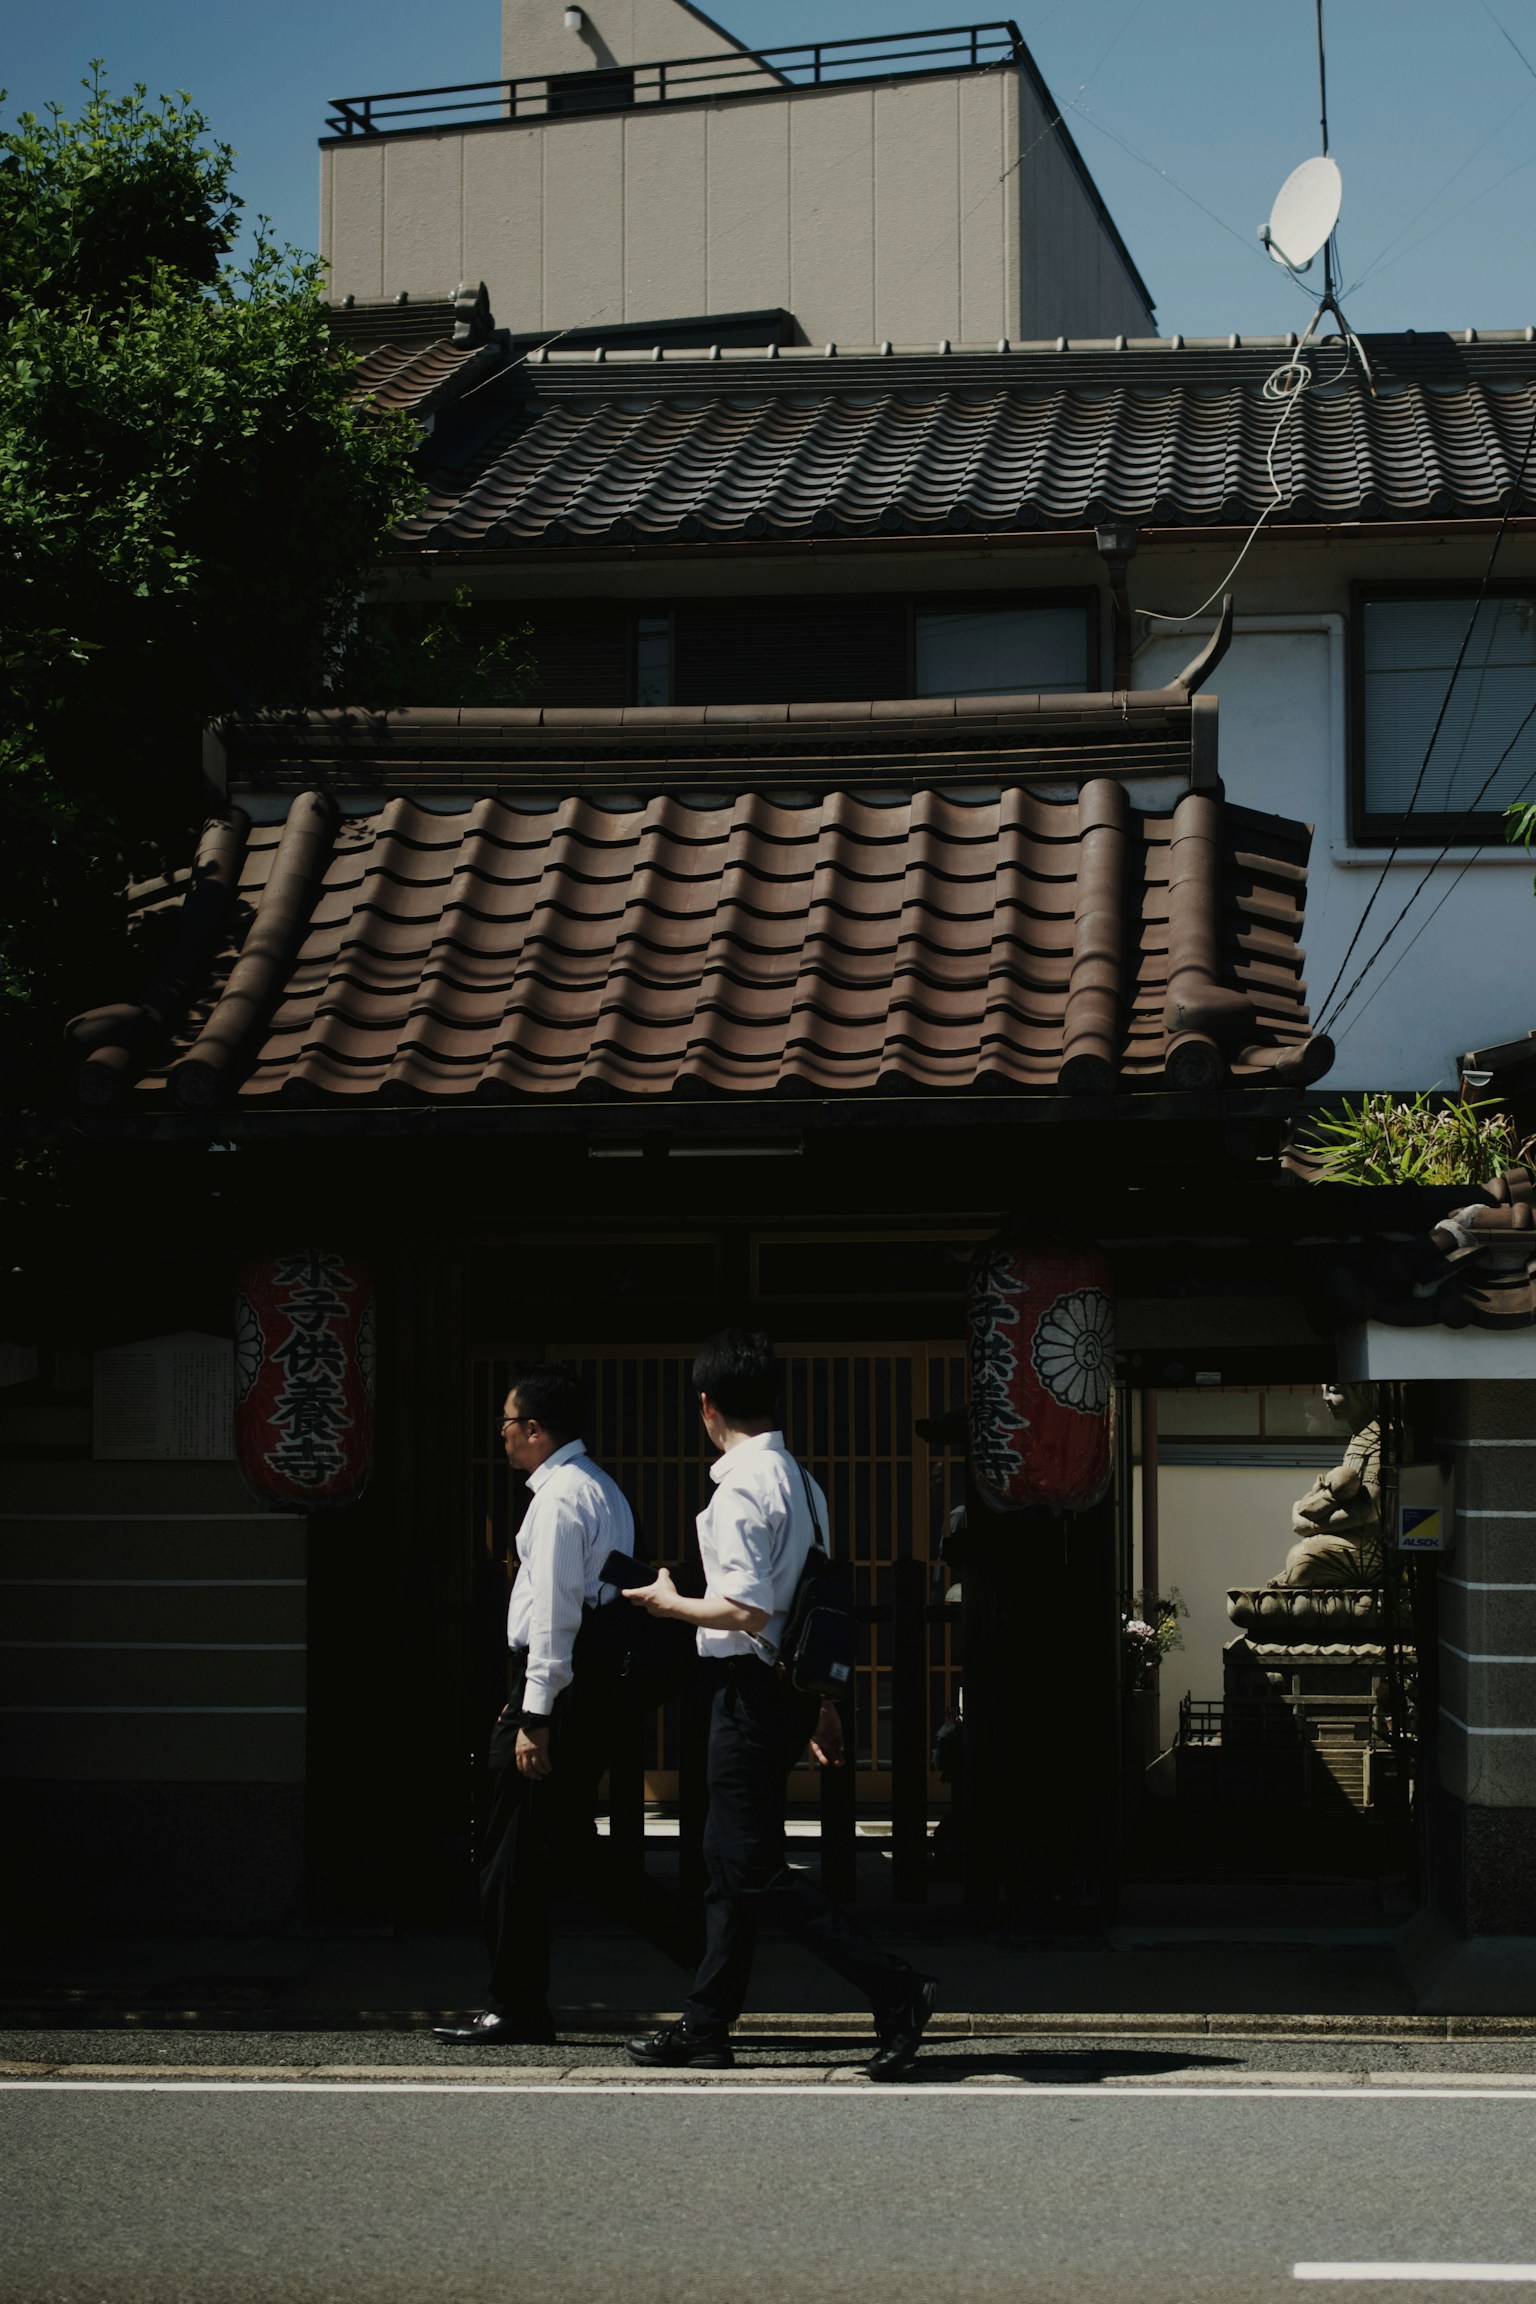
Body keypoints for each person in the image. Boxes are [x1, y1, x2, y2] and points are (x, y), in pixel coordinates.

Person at [624, 1329, 937, 2080]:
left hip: (748, 1693)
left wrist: (669, 1602)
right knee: (726, 1863)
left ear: (707, 1406)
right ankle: (707, 2022)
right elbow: (809, 1603)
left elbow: (745, 1610)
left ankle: (895, 1987)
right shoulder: (803, 1482)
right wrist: (819, 1700)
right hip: (786, 1689)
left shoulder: (738, 1487)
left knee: (750, 1866)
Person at [434, 1361, 684, 2048]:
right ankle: (701, 1949)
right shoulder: (599, 1488)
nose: (504, 1435)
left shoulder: (559, 1499)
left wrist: (533, 1716)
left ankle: (517, 2005)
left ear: (536, 1430)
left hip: (553, 1683)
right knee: (569, 1847)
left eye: (509, 1423)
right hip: (587, 1679)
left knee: (507, 1848)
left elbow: (553, 1615)